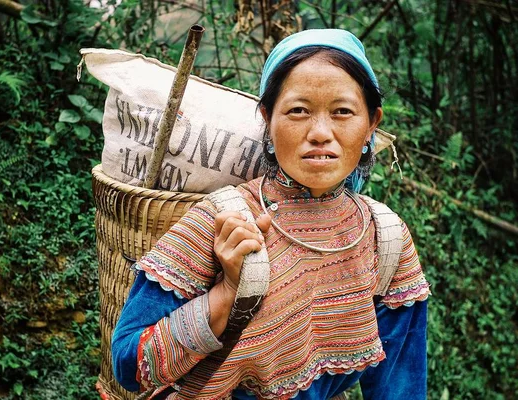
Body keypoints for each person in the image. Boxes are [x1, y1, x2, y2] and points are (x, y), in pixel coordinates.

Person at [111, 29, 430, 400]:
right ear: (267, 118)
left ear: (371, 124)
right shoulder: (223, 222)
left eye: (342, 112)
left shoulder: (384, 238)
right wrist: (228, 294)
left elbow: (399, 389)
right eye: (298, 111)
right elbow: (129, 366)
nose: (320, 133)